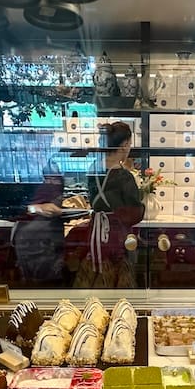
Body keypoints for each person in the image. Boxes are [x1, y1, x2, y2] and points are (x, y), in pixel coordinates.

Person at [73, 121, 145, 287]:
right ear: (124, 145)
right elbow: (134, 212)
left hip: (95, 232)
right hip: (116, 235)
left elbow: (93, 201)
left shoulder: (93, 169)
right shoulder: (124, 176)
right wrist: (143, 207)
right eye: (129, 144)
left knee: (96, 271)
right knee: (119, 277)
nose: (129, 149)